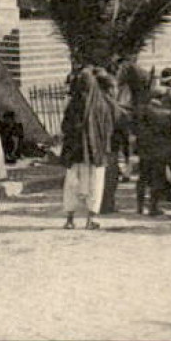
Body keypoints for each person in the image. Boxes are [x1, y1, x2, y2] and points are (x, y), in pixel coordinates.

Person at [60, 68, 117, 229]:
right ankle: (90, 219)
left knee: (72, 185)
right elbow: (108, 129)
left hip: (75, 152)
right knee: (95, 185)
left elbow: (65, 127)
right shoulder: (102, 105)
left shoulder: (73, 105)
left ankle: (70, 220)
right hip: (95, 153)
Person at [135, 88, 171, 216]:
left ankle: (139, 206)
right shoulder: (168, 114)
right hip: (160, 151)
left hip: (144, 150)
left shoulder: (142, 111)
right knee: (157, 179)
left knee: (142, 178)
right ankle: (153, 207)